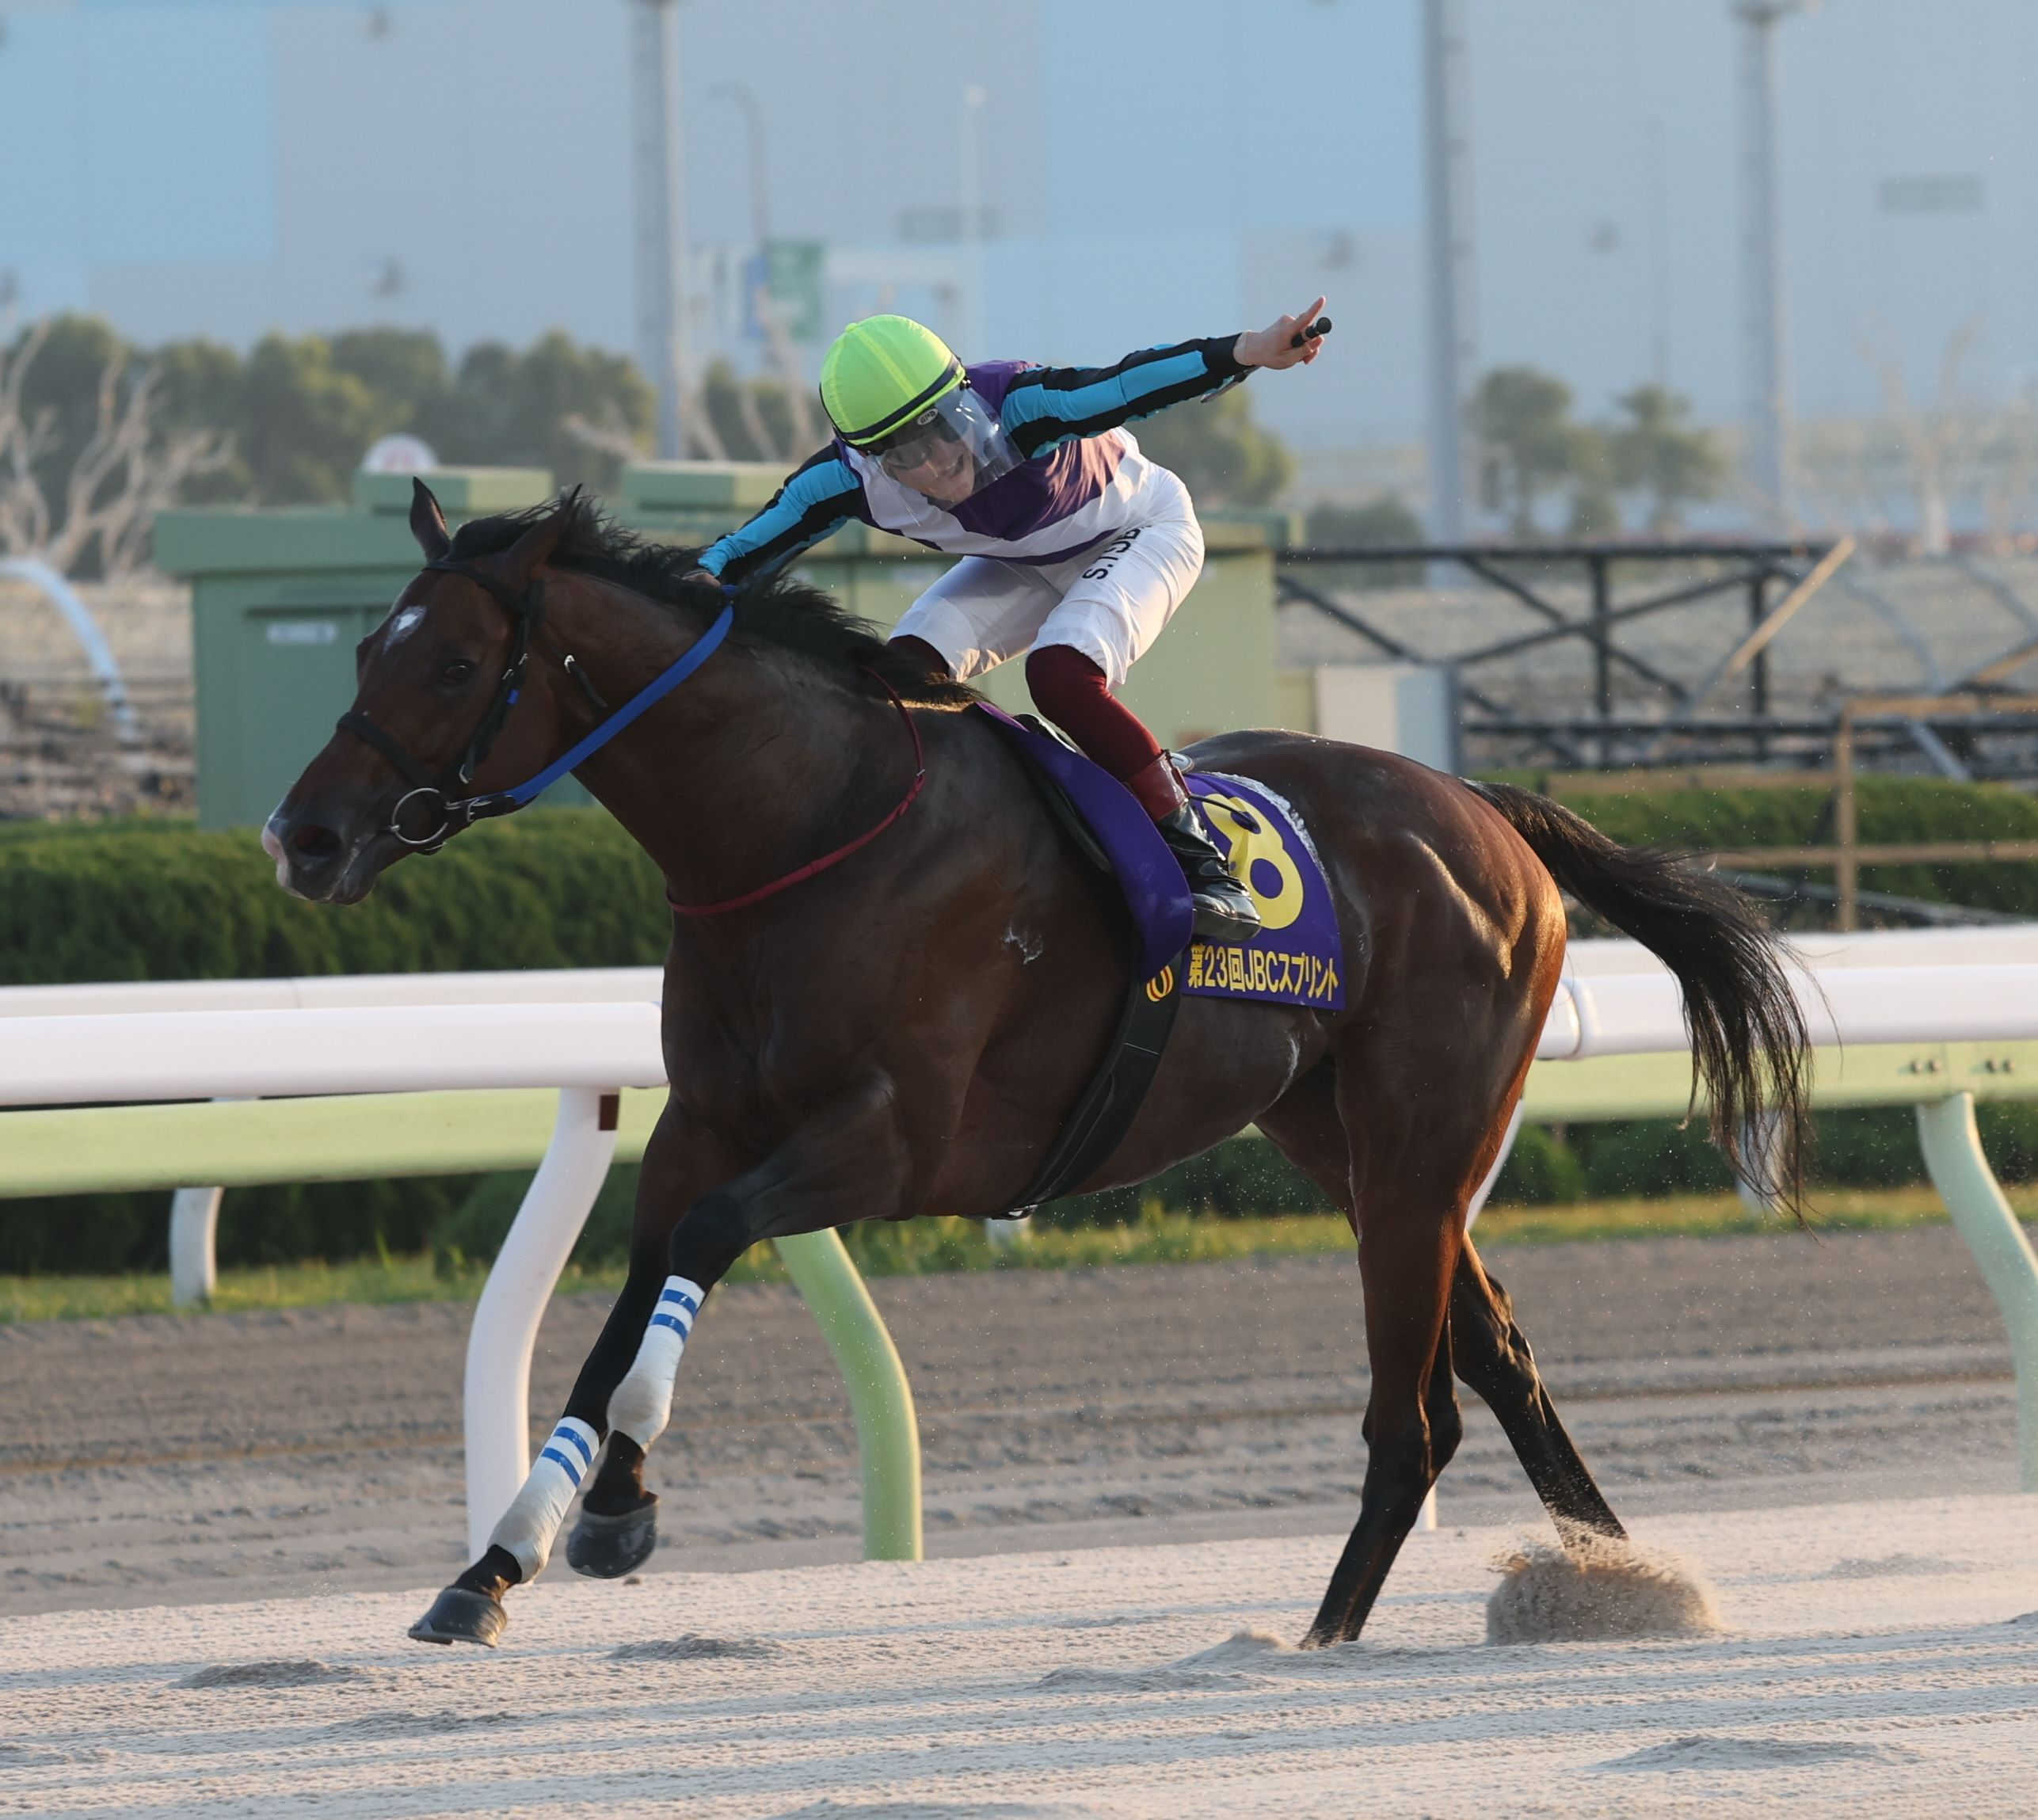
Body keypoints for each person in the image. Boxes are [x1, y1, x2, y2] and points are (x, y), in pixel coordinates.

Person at [692, 299, 1330, 942]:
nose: (940, 462)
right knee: (896, 679)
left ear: (966, 394)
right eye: (904, 455)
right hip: (1020, 561)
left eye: (946, 427)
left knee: (1059, 677)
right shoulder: (836, 482)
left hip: (1142, 529)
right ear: (865, 459)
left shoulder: (1023, 404)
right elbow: (735, 556)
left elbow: (1131, 383)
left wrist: (1246, 351)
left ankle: (1204, 869)